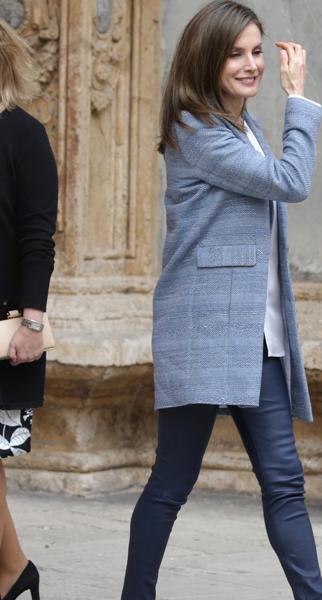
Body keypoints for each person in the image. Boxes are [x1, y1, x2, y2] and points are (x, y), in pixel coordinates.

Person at [121, 1, 322, 598]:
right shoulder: (196, 129)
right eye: (237, 53)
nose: (252, 63)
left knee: (285, 483)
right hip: (205, 330)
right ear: (208, 59)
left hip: (258, 340)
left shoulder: (245, 129)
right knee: (171, 483)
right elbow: (291, 182)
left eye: (257, 51)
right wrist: (300, 100)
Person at [0, 17, 58, 600]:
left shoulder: (23, 134)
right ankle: (13, 570)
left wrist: (31, 323)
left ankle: (14, 570)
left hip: (3, 328)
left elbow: (37, 239)